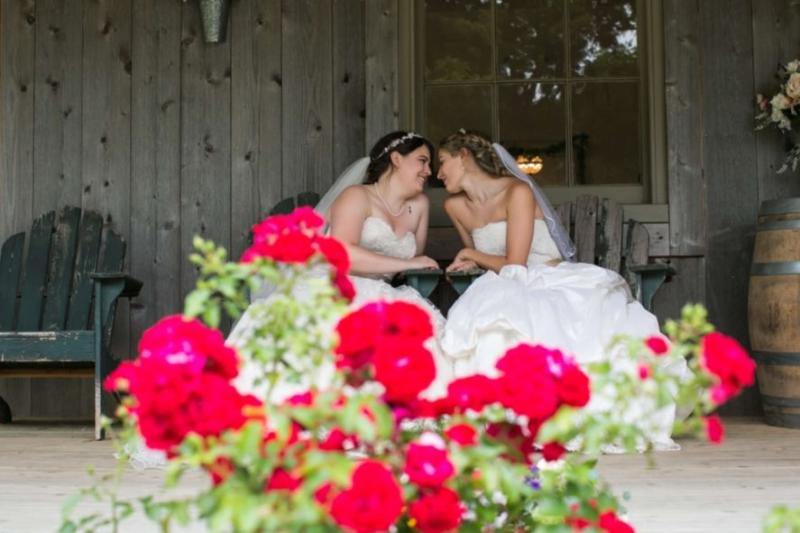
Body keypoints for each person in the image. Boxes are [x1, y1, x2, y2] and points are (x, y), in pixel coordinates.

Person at [436, 130, 687, 450]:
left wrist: (472, 256)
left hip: (546, 277)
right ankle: (505, 418)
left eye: (442, 162)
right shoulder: (455, 207)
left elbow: (516, 262)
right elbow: (489, 261)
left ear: (464, 157)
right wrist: (470, 263)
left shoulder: (518, 192)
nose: (438, 172)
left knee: (549, 320)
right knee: (490, 324)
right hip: (502, 282)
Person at [229, 131, 452, 400]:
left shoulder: (419, 205)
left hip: (383, 290)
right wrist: (406, 262)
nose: (429, 171)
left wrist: (412, 263)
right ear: (396, 159)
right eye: (422, 161)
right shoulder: (357, 196)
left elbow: (414, 261)